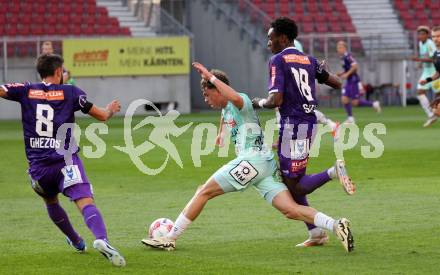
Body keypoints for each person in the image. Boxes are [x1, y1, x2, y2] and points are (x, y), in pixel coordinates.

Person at [141, 62, 354, 253]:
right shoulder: (226, 110)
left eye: (207, 94)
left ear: (218, 88)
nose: (206, 100)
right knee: (291, 210)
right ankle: (336, 225)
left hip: (252, 162)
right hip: (264, 166)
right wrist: (219, 134)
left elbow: (232, 97)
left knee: (203, 191)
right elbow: (226, 116)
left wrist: (210, 76)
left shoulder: (239, 99)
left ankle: (170, 237)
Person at [0, 54, 126, 267]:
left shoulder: (26, 90)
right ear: (59, 72)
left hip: (39, 170)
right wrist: (111, 109)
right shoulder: (70, 92)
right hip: (66, 162)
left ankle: (76, 241)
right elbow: (102, 116)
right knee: (85, 201)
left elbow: (2, 89)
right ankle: (102, 240)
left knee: (50, 200)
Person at [251, 17, 356, 247]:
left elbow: (275, 99)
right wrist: (322, 70)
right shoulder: (309, 60)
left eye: (271, 38)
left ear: (283, 38)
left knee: (294, 185)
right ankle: (316, 234)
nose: (268, 43)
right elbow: (338, 83)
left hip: (294, 127)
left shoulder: (277, 60)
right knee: (291, 180)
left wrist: (257, 102)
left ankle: (333, 172)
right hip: (304, 124)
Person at [336, 41, 381, 124]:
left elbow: (355, 66)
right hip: (349, 81)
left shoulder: (348, 56)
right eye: (337, 47)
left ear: (344, 48)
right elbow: (348, 68)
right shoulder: (343, 57)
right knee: (344, 99)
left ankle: (374, 104)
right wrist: (342, 73)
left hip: (353, 80)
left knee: (355, 102)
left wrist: (346, 74)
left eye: (339, 47)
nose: (338, 49)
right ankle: (350, 118)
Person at [416, 26, 440, 125]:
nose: (436, 39)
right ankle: (431, 116)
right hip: (429, 73)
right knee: (436, 110)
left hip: (430, 71)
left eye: (439, 36)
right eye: (434, 36)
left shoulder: (431, 47)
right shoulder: (436, 54)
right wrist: (427, 80)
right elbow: (439, 72)